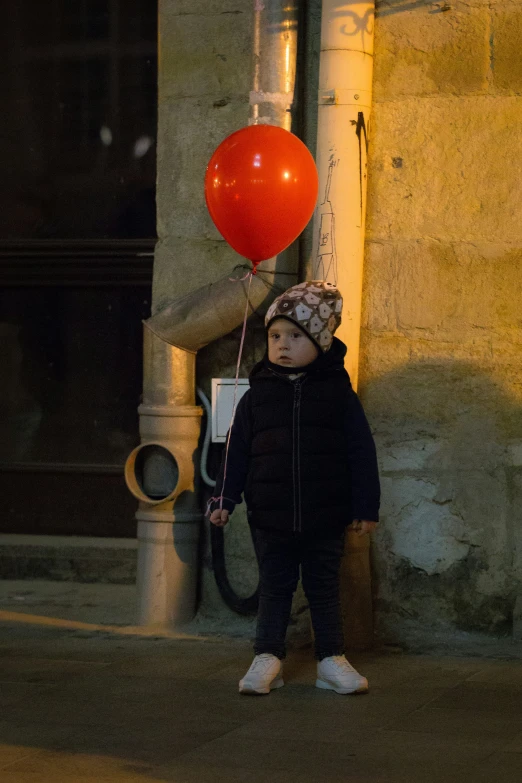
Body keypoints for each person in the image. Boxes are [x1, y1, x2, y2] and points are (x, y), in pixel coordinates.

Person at [209, 281, 380, 695]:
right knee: (275, 586)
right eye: (275, 336)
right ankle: (267, 658)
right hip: (270, 515)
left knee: (323, 587)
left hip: (327, 513)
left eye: (295, 336)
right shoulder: (257, 397)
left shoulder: (338, 394)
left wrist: (365, 507)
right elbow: (237, 450)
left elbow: (361, 450)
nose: (282, 344)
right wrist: (224, 497)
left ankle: (330, 660)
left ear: (320, 342)